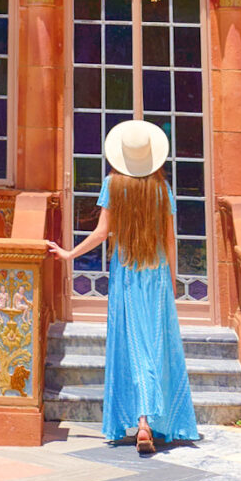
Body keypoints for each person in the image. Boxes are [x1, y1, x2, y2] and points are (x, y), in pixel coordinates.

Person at [48, 118, 199, 455]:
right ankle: (151, 421)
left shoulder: (113, 185)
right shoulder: (162, 189)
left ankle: (141, 421)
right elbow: (171, 241)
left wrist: (69, 253)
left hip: (127, 275)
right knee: (154, 347)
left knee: (132, 346)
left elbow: (101, 233)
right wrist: (172, 283)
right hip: (156, 274)